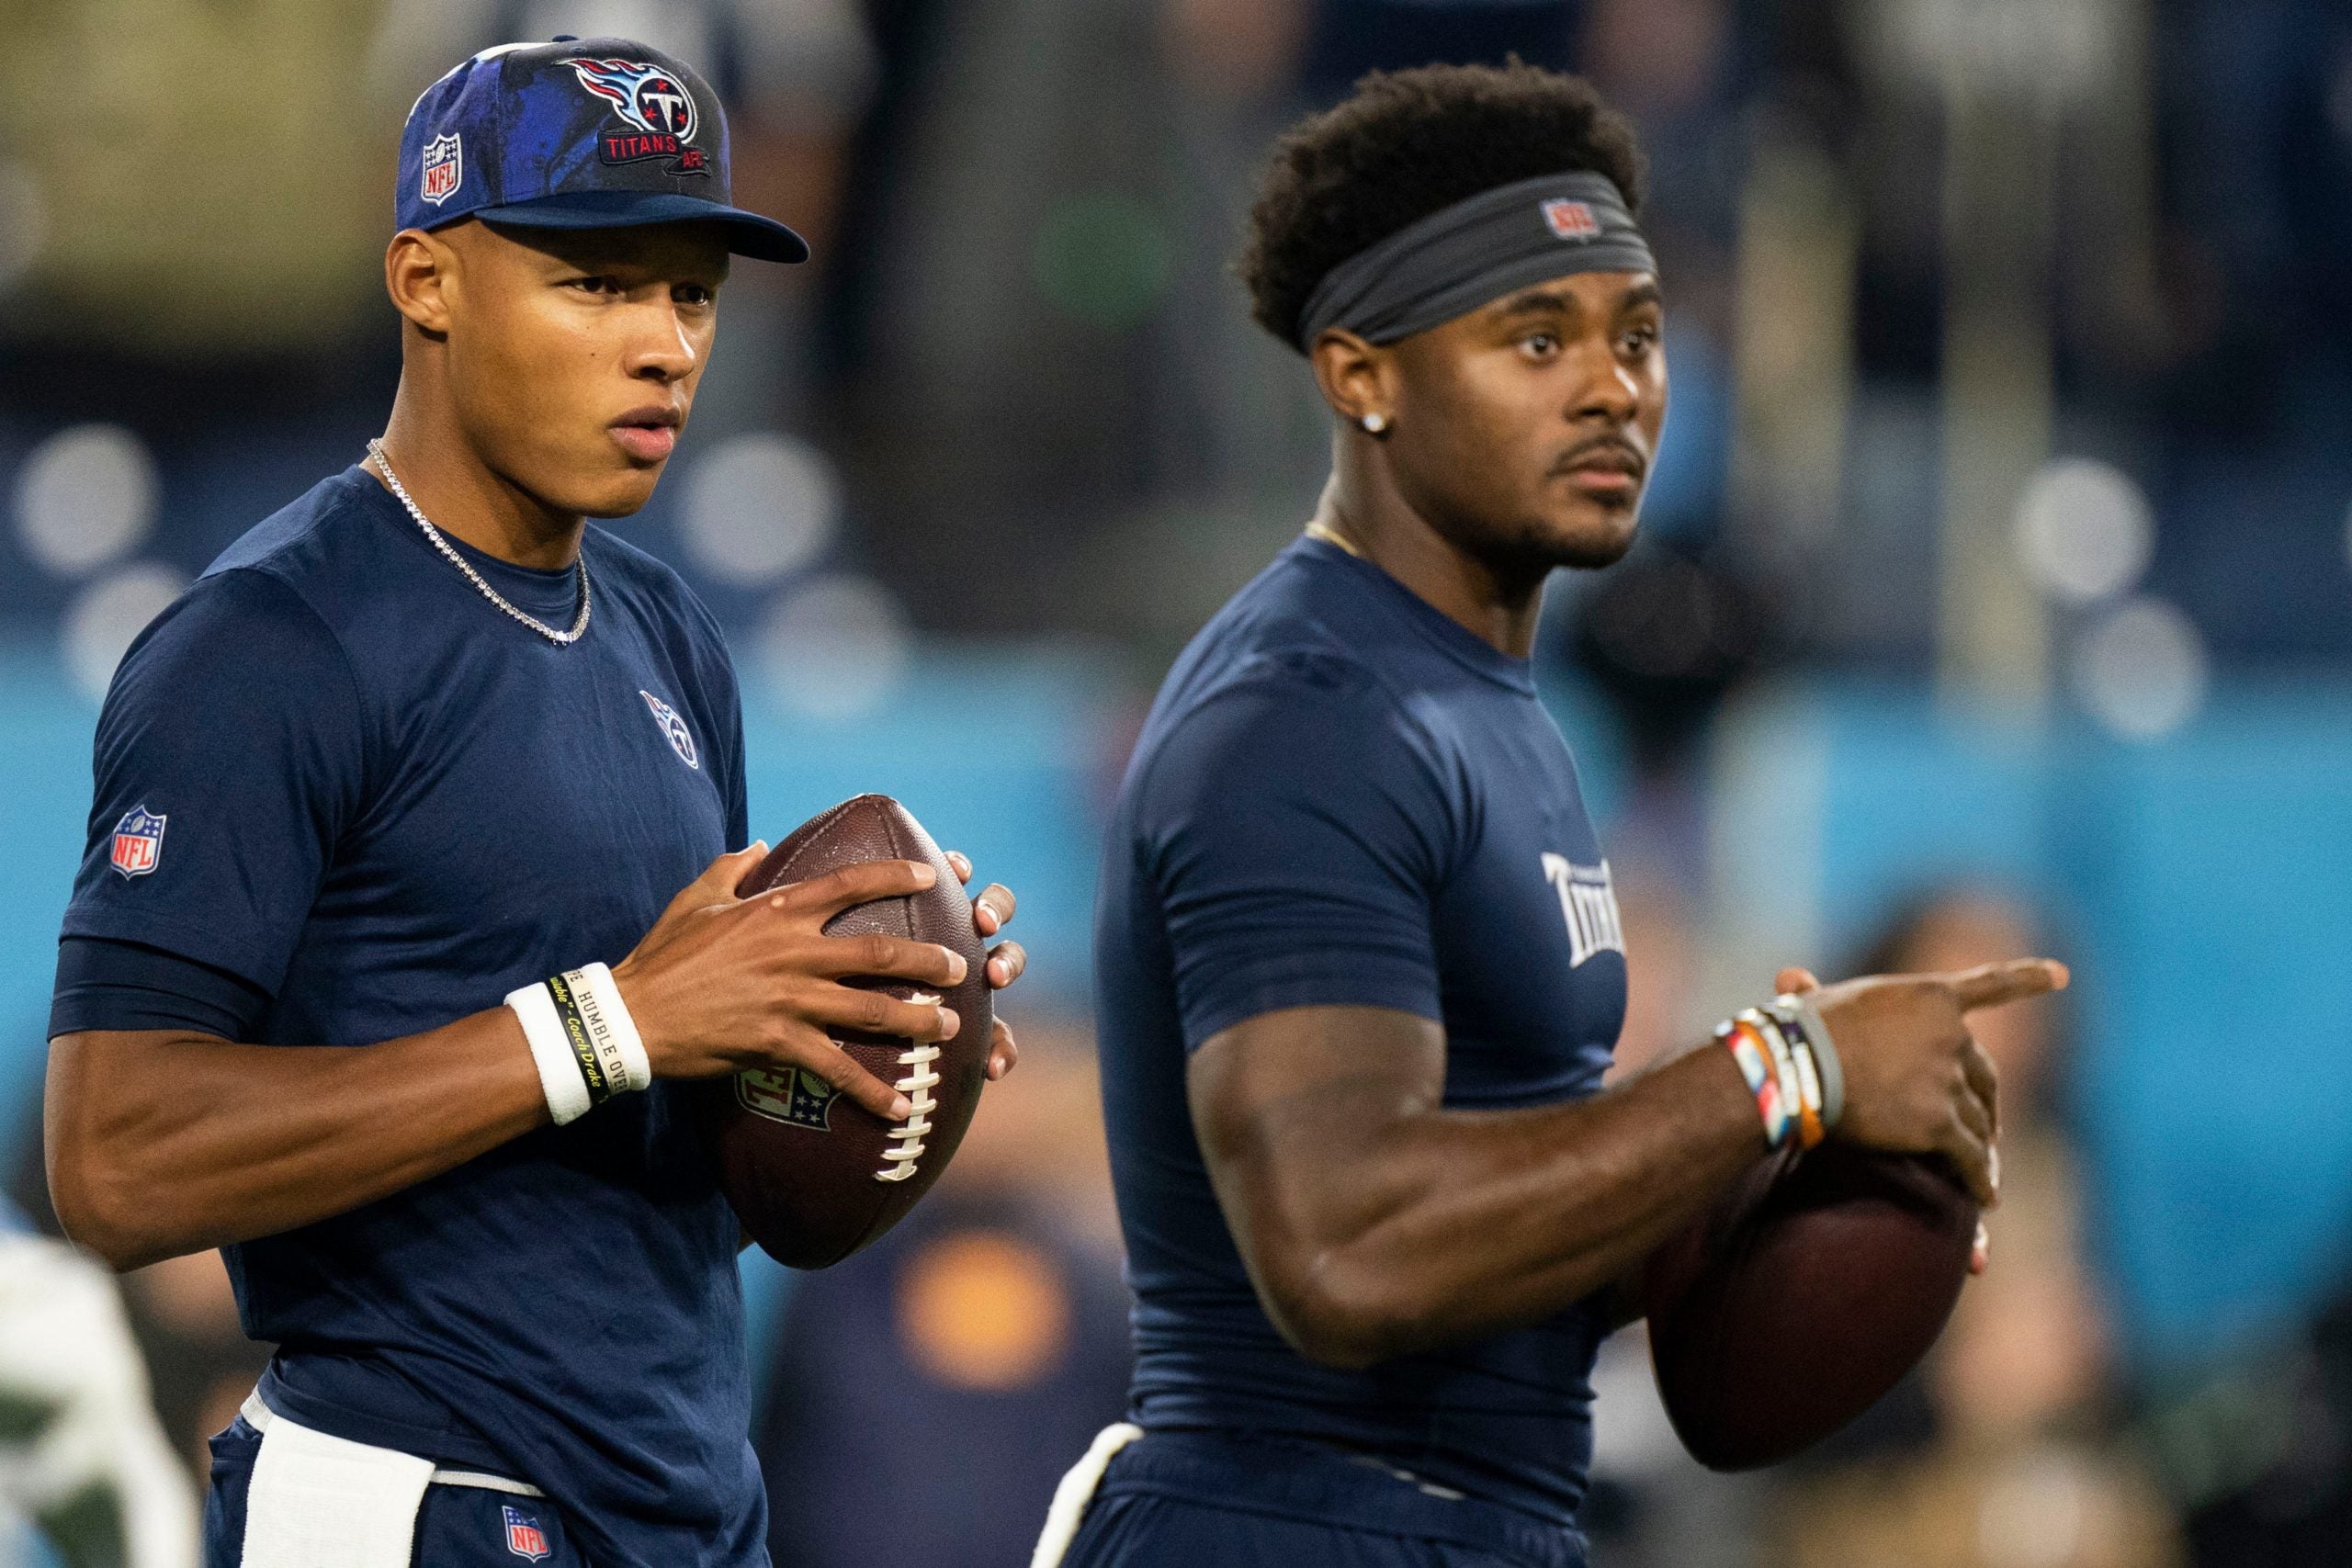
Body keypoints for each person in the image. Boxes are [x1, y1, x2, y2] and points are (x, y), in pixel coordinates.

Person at [1057, 62, 2064, 1568]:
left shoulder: (1482, 709)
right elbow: (1348, 1249)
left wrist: (1779, 1169)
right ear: (1361, 374)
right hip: (1291, 1525)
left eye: (1641, 338)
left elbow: (1499, 1262)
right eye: (1537, 338)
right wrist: (1778, 1072)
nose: (1614, 388)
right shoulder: (1308, 719)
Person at [40, 37, 1023, 1568]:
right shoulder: (269, 644)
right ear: (426, 279)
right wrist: (621, 1018)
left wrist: (848, 1035)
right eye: (598, 283)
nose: (667, 346)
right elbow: (115, 1161)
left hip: (682, 1501)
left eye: (689, 291)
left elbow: (670, 1161)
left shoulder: (666, 632)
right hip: (410, 1496)